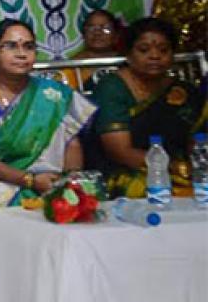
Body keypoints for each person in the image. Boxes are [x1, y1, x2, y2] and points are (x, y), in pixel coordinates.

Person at [0, 19, 95, 302]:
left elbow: (71, 144)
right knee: (2, 212)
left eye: (28, 46)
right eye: (11, 46)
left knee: (78, 205)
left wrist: (69, 182)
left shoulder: (54, 95)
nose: (22, 53)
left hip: (48, 179)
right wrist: (30, 181)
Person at [87, 17, 204, 196]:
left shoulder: (182, 91)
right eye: (144, 50)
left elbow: (197, 143)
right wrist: (169, 167)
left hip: (180, 171)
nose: (155, 56)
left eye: (164, 50)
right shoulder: (112, 87)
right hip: (124, 172)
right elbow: (119, 151)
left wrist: (192, 168)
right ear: (128, 54)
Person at [59, 9, 122, 90]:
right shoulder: (72, 67)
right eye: (91, 28)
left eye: (106, 29)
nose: (97, 33)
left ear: (116, 35)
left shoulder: (125, 65)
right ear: (83, 34)